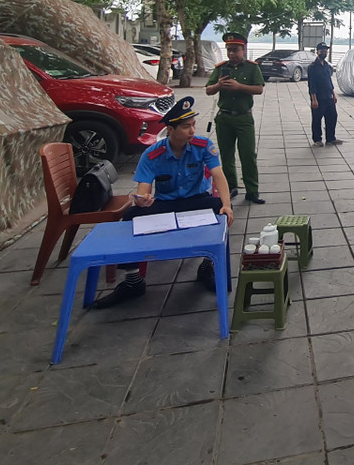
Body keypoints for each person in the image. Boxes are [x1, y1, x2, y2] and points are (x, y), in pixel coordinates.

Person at [91, 96, 235, 308]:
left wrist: (227, 205)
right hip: (167, 205)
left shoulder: (203, 146)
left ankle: (207, 266)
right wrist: (142, 201)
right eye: (186, 127)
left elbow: (218, 175)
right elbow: (143, 191)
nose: (192, 131)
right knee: (131, 216)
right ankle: (133, 281)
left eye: (193, 125)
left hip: (196, 201)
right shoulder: (152, 154)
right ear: (170, 129)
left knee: (218, 211)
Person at [205, 32, 265, 204]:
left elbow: (259, 89)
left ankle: (252, 190)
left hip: (244, 118)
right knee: (226, 155)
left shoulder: (252, 68)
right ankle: (231, 187)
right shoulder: (221, 68)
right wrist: (218, 85)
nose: (232, 54)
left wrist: (239, 86)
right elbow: (208, 90)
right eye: (229, 50)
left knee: (247, 155)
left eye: (235, 50)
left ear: (243, 49)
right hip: (224, 118)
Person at [306, 42, 341, 146]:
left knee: (332, 117)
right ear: (317, 51)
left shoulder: (327, 66)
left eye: (326, 51)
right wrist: (314, 99)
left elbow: (329, 81)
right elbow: (311, 84)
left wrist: (334, 94)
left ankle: (330, 138)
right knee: (317, 119)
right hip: (319, 98)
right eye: (322, 51)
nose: (324, 53)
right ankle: (317, 140)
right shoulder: (312, 67)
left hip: (329, 97)